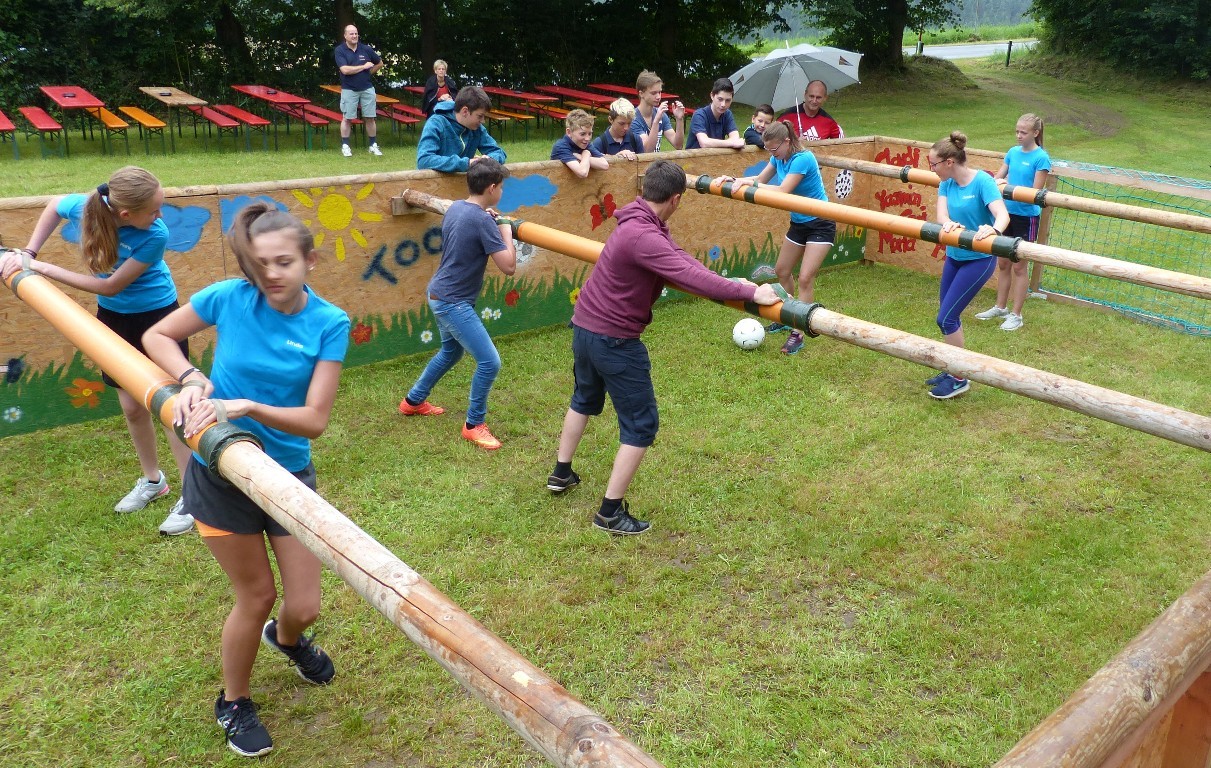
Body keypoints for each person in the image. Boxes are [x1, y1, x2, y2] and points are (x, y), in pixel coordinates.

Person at [142, 202, 350, 757]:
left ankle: (286, 641)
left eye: (285, 261)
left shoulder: (329, 323)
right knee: (257, 596)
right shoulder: (229, 297)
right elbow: (157, 335)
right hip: (221, 470)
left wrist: (249, 405)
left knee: (304, 605)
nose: (273, 274)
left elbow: (316, 420)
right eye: (261, 264)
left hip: (287, 473)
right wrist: (191, 377)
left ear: (309, 259)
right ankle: (233, 702)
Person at [546, 159, 780, 535]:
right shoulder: (645, 236)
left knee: (584, 399)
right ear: (675, 198)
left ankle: (561, 473)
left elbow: (680, 260)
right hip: (614, 340)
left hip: (585, 329)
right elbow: (686, 274)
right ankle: (609, 513)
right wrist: (752, 290)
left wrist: (730, 281)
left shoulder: (639, 220)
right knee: (641, 425)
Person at [0, 166, 194, 535]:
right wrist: (28, 249)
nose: (160, 215)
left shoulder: (155, 233)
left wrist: (40, 266)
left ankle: (193, 494)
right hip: (115, 320)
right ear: (124, 214)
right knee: (132, 407)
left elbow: (110, 287)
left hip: (158, 321)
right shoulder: (90, 207)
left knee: (170, 408)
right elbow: (56, 205)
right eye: (154, 209)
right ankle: (154, 481)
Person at [398, 158, 516, 451]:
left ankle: (412, 401)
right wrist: (507, 231)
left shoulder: (458, 207)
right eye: (501, 187)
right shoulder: (482, 221)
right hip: (453, 302)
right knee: (490, 362)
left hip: (439, 294)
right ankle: (474, 425)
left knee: (451, 353)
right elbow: (509, 266)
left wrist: (491, 220)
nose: (501, 192)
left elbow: (475, 223)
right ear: (491, 188)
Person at [718, 121, 835, 356]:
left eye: (774, 149)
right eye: (768, 150)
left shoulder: (803, 158)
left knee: (805, 278)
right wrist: (738, 180)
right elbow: (759, 181)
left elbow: (783, 191)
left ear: (787, 142)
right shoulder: (778, 157)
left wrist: (752, 184)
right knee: (781, 271)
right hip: (799, 223)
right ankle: (786, 315)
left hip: (821, 223)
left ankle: (798, 331)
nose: (772, 154)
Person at [925, 131, 1010, 400]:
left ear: (949, 162)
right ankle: (953, 368)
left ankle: (960, 378)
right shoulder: (946, 184)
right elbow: (941, 215)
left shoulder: (982, 181)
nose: (931, 169)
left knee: (946, 317)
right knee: (947, 315)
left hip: (979, 260)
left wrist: (993, 230)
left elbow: (1002, 214)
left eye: (933, 164)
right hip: (954, 257)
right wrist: (947, 223)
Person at [976, 113, 1052, 331]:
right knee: (1003, 263)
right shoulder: (1012, 153)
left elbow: (1034, 192)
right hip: (1005, 215)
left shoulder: (1041, 158)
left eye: (1023, 132)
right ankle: (1000, 307)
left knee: (1019, 267)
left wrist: (1007, 186)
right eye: (1017, 131)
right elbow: (998, 177)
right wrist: (997, 182)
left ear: (1036, 133)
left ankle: (1016, 314)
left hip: (1026, 217)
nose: (1018, 136)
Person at [416, 86, 508, 173]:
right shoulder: (436, 123)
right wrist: (467, 163)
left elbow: (499, 152)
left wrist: (488, 160)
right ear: (465, 111)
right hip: (432, 186)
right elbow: (424, 160)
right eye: (480, 116)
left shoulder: (478, 129)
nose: (483, 121)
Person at [334, 24, 383, 157]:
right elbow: (344, 70)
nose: (354, 36)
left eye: (356, 33)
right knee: (347, 118)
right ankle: (345, 146)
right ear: (345, 36)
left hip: (367, 88)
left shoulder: (366, 49)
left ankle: (373, 145)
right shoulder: (340, 51)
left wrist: (369, 72)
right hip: (349, 89)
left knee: (370, 117)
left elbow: (379, 63)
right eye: (351, 34)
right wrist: (363, 67)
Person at [630, 70, 685, 154]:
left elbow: (678, 145)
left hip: (655, 165)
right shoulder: (632, 118)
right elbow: (647, 151)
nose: (658, 97)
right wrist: (656, 121)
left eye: (659, 92)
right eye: (653, 93)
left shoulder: (661, 115)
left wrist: (679, 119)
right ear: (641, 94)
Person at [684, 77, 744, 150]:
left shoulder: (727, 114)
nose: (723, 104)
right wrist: (732, 143)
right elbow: (704, 142)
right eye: (720, 99)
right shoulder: (699, 115)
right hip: (693, 159)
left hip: (715, 159)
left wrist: (734, 141)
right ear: (712, 96)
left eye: (728, 100)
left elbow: (735, 137)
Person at [778, 80, 844, 142]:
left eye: (818, 97)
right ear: (805, 95)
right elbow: (772, 141)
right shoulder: (786, 117)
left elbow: (842, 146)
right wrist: (794, 143)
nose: (814, 101)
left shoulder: (829, 121)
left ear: (825, 98)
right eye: (811, 96)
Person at [551, 109, 610, 178]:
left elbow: (604, 165)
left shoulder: (586, 144)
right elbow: (582, 173)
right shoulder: (561, 146)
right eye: (582, 134)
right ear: (569, 132)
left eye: (590, 133)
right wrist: (586, 155)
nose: (587, 138)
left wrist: (581, 156)